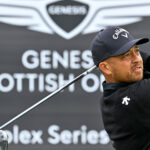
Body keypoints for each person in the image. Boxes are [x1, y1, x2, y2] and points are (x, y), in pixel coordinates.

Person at [91, 26, 150, 150]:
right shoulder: (135, 97)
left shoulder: (113, 93)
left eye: (137, 51)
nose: (137, 59)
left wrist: (130, 54)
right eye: (127, 55)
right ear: (106, 68)